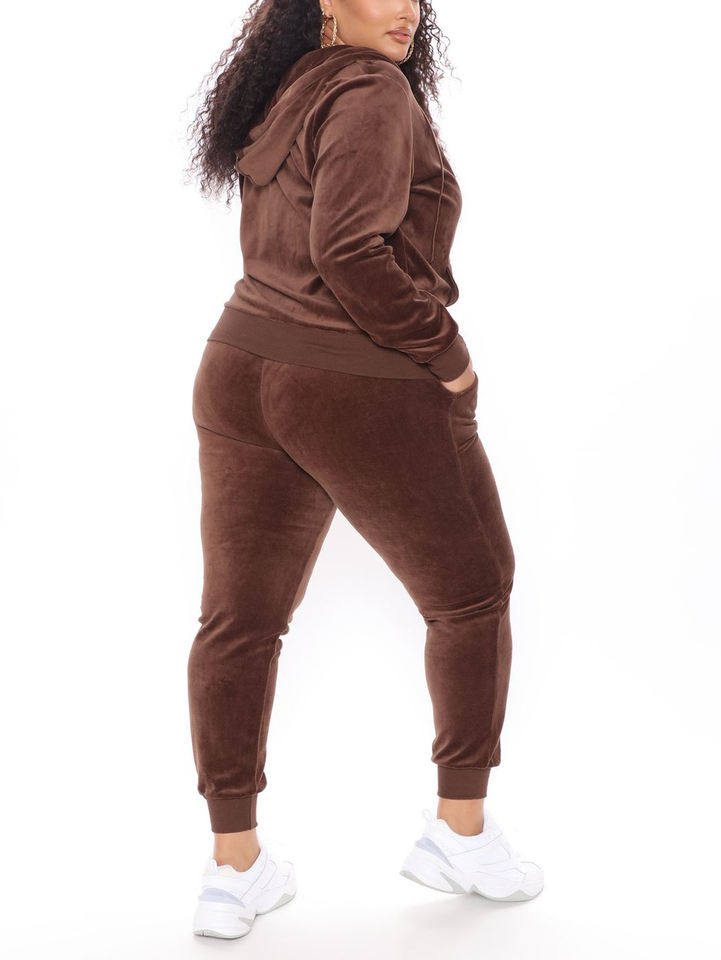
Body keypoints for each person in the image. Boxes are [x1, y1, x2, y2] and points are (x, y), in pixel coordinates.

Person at [185, 0, 544, 939]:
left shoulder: (288, 88)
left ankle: (233, 869)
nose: (405, 10)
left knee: (239, 622)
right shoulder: (373, 91)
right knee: (472, 594)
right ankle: (459, 831)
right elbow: (348, 250)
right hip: (347, 381)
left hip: (236, 368)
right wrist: (449, 356)